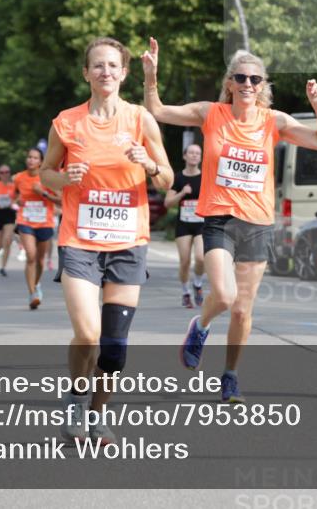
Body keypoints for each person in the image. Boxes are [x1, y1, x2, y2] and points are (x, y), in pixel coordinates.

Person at [143, 39, 317, 403]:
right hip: (219, 219)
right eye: (241, 78)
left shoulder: (273, 121)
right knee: (226, 295)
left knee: (244, 310)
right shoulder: (210, 113)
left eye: (255, 79)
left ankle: (230, 375)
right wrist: (151, 76)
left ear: (263, 86)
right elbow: (157, 109)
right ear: (230, 83)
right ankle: (199, 326)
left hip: (257, 223)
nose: (248, 84)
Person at [41, 36, 172, 446]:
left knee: (114, 347)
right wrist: (64, 178)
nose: (106, 72)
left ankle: (98, 416)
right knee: (88, 331)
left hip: (128, 242)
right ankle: (77, 398)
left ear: (125, 73)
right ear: (86, 73)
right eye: (98, 65)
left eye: (113, 66)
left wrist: (149, 163)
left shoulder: (139, 120)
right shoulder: (67, 121)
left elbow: (168, 179)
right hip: (79, 240)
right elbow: (45, 173)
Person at [13, 148, 60, 308]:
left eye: (35, 158)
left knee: (40, 260)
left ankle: (37, 284)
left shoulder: (47, 178)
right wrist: (18, 200)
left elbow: (61, 200)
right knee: (31, 256)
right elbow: (15, 195)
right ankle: (32, 293)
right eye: (29, 157)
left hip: (44, 223)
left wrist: (43, 193)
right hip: (25, 221)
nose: (31, 160)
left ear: (40, 161)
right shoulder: (19, 177)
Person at [165, 143, 206, 308]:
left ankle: (197, 284)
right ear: (185, 156)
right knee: (184, 262)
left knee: (201, 258)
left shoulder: (206, 178)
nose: (194, 155)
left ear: (201, 157)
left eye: (197, 153)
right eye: (191, 153)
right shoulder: (177, 178)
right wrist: (182, 193)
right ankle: (185, 292)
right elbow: (168, 203)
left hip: (202, 223)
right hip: (184, 224)